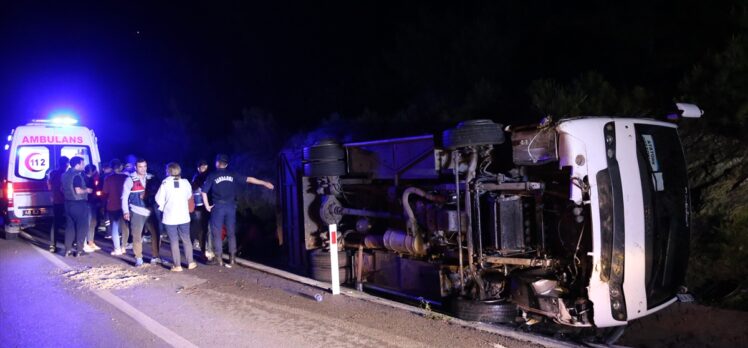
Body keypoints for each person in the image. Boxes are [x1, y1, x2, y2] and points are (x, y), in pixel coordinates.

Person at [201, 154, 274, 268]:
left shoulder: (212, 175)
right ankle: (232, 259)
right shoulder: (232, 174)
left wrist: (206, 205)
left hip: (218, 207)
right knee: (231, 233)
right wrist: (264, 183)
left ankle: (219, 259)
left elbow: (204, 192)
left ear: (217, 163)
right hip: (231, 207)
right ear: (226, 164)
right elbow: (249, 179)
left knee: (217, 233)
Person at [155, 162, 196, 272]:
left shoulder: (165, 183)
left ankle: (177, 265)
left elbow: (158, 199)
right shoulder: (186, 182)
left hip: (170, 217)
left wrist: (164, 207)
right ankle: (190, 262)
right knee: (186, 239)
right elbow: (188, 196)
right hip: (183, 215)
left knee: (174, 241)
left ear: (168, 171)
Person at [122, 158, 161, 266]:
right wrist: (126, 211)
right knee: (137, 236)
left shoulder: (151, 178)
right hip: (136, 211)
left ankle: (155, 256)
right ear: (135, 167)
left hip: (150, 211)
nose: (143, 169)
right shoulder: (130, 179)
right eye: (140, 166)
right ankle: (138, 258)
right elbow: (124, 197)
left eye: (145, 166)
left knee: (156, 234)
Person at [61, 156, 92, 257]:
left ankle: (67, 250)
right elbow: (78, 191)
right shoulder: (77, 176)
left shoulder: (64, 175)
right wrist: (87, 190)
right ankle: (79, 250)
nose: (84, 166)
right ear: (77, 165)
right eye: (82, 164)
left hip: (67, 204)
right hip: (78, 204)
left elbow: (62, 189)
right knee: (82, 227)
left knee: (70, 228)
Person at [102, 159, 129, 255]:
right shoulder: (126, 177)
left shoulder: (108, 178)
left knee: (114, 226)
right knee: (125, 226)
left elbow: (105, 191)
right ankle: (124, 247)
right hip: (124, 205)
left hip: (112, 205)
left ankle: (117, 248)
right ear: (120, 167)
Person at [47, 156, 69, 250]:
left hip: (56, 201)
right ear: (67, 164)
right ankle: (70, 243)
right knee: (69, 223)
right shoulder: (67, 174)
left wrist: (53, 194)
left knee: (55, 223)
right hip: (67, 201)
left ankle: (53, 244)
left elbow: (49, 185)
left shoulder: (52, 173)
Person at [190, 159, 211, 259]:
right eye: (202, 167)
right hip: (198, 206)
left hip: (206, 206)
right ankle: (190, 247)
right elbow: (193, 188)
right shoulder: (196, 177)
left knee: (204, 229)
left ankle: (204, 250)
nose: (204, 169)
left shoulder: (209, 176)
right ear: (198, 168)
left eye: (205, 167)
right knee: (196, 227)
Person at [82, 164, 101, 252]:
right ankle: (84, 243)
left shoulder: (90, 179)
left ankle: (91, 242)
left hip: (92, 203)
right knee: (88, 223)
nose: (96, 172)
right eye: (94, 170)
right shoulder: (85, 179)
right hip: (88, 203)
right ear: (91, 171)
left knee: (92, 223)